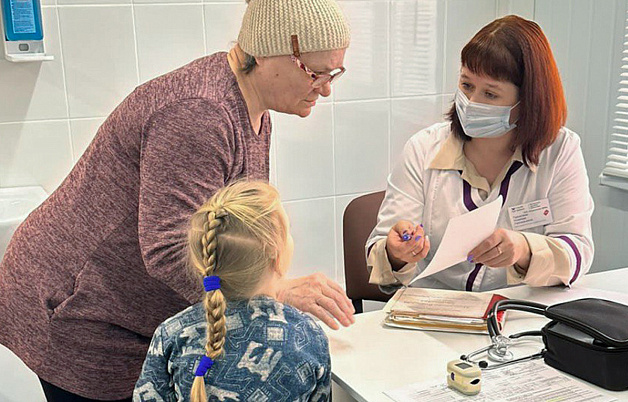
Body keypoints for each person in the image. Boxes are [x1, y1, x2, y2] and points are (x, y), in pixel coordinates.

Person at [0, 0, 353, 400]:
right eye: (316, 73)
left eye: (334, 73)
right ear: (268, 52)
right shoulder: (199, 114)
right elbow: (170, 249)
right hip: (78, 309)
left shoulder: (252, 107)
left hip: (125, 311)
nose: (326, 88)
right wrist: (275, 292)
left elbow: (229, 229)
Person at [366, 15, 594, 293]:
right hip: (432, 307)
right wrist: (395, 252)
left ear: (528, 101)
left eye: (490, 94)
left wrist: (524, 250)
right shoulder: (423, 148)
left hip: (516, 307)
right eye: (467, 85)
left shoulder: (559, 151)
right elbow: (381, 253)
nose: (471, 103)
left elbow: (577, 252)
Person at [133, 181, 330, 402]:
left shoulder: (171, 333)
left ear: (204, 259)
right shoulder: (306, 335)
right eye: (288, 232)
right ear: (276, 253)